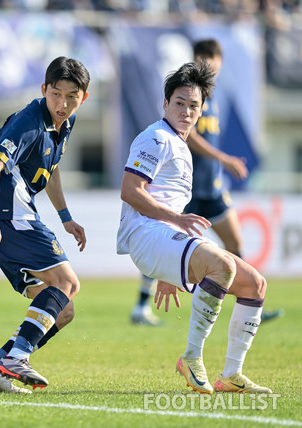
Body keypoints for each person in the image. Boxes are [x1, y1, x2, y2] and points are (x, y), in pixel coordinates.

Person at [117, 61, 272, 394]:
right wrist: (175, 225)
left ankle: (231, 374)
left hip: (163, 239)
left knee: (255, 284)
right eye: (179, 103)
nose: (186, 111)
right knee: (223, 265)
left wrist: (168, 269)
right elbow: (130, 191)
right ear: (165, 104)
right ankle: (191, 356)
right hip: (145, 235)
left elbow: (167, 202)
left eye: (193, 106)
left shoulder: (179, 145)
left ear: (201, 111)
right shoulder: (156, 137)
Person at [129, 39, 283, 326]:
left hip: (212, 187)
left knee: (234, 243)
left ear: (221, 62)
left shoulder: (211, 101)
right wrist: (223, 158)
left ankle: (248, 303)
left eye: (212, 58)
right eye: (203, 57)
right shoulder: (184, 104)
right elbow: (192, 139)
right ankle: (141, 304)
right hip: (186, 191)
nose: (208, 63)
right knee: (163, 241)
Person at [0, 56, 89, 393]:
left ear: (84, 97)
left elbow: (50, 169)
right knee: (67, 282)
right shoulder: (29, 121)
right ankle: (17, 358)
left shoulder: (64, 123)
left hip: (16, 217)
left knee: (61, 311)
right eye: (56, 94)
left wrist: (65, 217)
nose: (62, 103)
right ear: (43, 90)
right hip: (10, 216)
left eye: (72, 96)